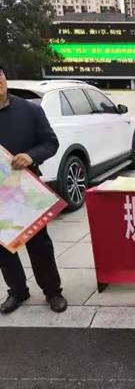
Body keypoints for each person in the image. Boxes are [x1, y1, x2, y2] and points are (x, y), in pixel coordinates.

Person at [0, 65, 67, 314]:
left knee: (39, 242)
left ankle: (52, 291)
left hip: (26, 187)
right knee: (4, 245)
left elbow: (50, 142)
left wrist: (31, 156)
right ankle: (17, 290)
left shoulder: (29, 110)